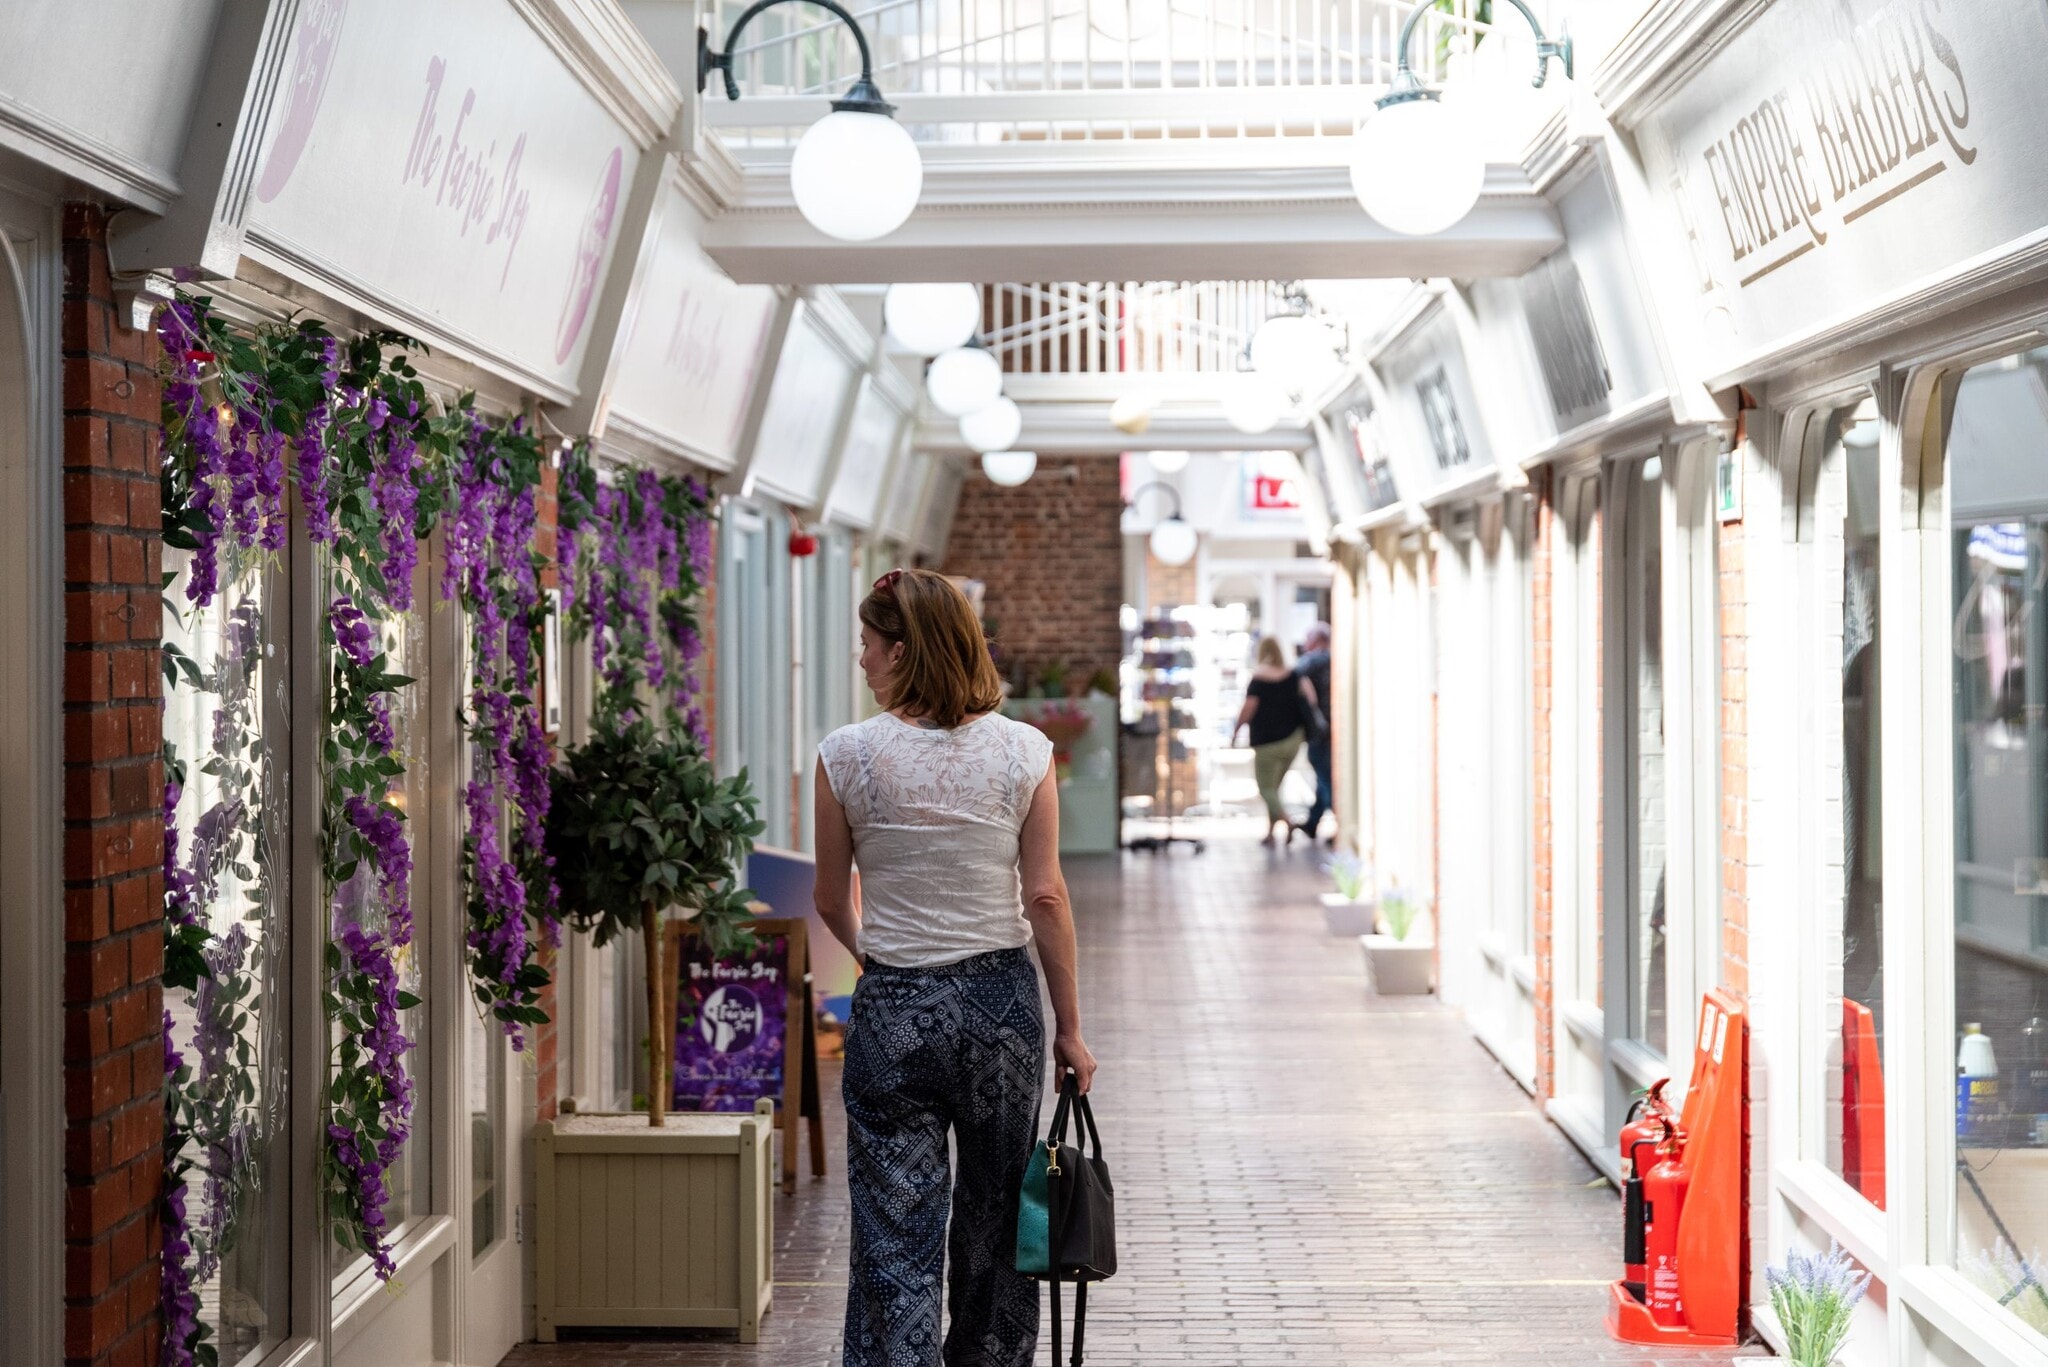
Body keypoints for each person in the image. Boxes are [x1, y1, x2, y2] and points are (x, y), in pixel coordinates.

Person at [813, 568, 1098, 1367]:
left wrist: (880, 960)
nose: (861, 660)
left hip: (895, 1006)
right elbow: (1044, 895)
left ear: (901, 651)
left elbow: (830, 897)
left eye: (868, 645)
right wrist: (1070, 1029)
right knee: (999, 1213)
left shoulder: (846, 757)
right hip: (1000, 1010)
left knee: (893, 1227)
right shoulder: (1025, 751)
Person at [1232, 635, 1320, 846]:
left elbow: (1249, 708)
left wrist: (1236, 731)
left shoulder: (1259, 678)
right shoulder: (1294, 675)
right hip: (1292, 739)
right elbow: (1312, 699)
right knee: (1275, 788)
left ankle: (1286, 822)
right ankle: (1271, 833)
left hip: (1267, 742)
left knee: (1266, 789)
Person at [1294, 621, 1335, 845]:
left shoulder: (1312, 662)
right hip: (1331, 729)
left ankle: (1340, 818)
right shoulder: (1332, 661)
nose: (1305, 644)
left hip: (1320, 731)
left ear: (1318, 640)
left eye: (1308, 639)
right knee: (1324, 776)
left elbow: (1293, 676)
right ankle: (1313, 822)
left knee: (1326, 776)